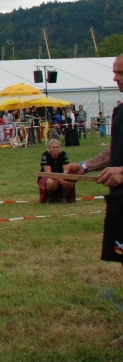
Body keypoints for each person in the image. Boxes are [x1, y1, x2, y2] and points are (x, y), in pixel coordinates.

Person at [62, 54, 123, 270]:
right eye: (115, 72)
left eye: (121, 73)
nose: (116, 78)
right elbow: (115, 150)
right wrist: (85, 166)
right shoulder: (120, 112)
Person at [39, 139, 74, 203]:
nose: (56, 149)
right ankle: (48, 197)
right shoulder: (45, 155)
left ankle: (63, 197)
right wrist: (59, 178)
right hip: (48, 177)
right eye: (53, 147)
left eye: (58, 147)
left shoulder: (63, 154)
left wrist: (64, 178)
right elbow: (48, 173)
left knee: (69, 182)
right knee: (51, 182)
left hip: (61, 176)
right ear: (49, 148)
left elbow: (66, 170)